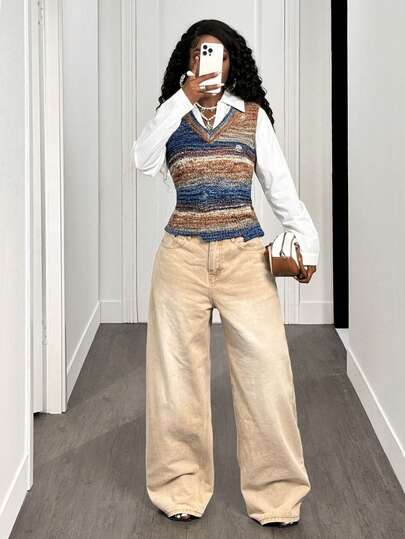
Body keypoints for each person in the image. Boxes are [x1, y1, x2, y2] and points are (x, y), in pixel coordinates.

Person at [132, 19, 319, 528]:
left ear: (232, 62)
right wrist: (182, 99)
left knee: (267, 377)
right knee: (176, 380)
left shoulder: (252, 118)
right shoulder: (172, 116)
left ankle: (277, 496)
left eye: (216, 52)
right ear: (188, 61)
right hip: (180, 259)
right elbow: (142, 160)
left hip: (244, 259)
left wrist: (307, 246)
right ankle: (180, 488)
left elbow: (281, 188)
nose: (206, 59)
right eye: (198, 52)